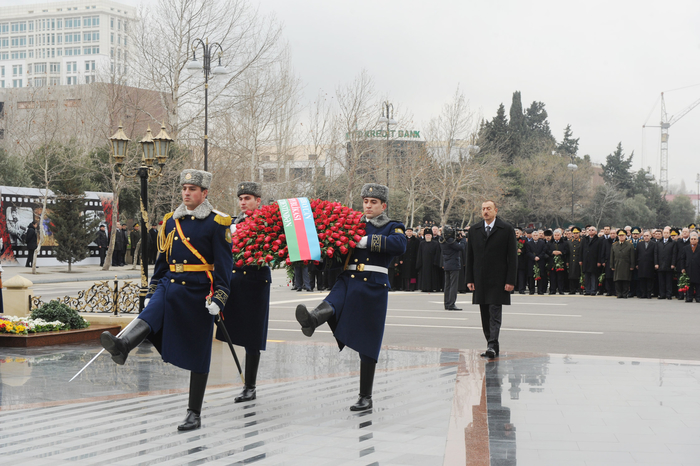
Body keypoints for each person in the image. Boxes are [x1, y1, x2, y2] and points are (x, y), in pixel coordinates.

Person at [100, 169, 233, 431]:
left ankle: (194, 412)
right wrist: (151, 291)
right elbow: (162, 260)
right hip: (170, 283)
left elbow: (224, 266)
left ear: (204, 193)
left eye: (192, 189)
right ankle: (123, 345)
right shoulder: (171, 220)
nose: (186, 193)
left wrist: (220, 296)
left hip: (199, 291)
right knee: (150, 313)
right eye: (184, 188)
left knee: (199, 352)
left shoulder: (218, 223)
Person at [294, 183, 407, 411]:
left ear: (383, 205)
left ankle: (365, 396)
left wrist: (367, 241)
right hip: (349, 278)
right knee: (334, 299)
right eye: (365, 201)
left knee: (368, 341)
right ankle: (312, 319)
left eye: (373, 202)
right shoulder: (352, 224)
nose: (368, 205)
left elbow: (400, 245)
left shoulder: (392, 226)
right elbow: (337, 252)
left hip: (373, 285)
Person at [216, 181, 271, 403]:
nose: (243, 202)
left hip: (256, 280)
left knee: (253, 335)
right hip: (233, 279)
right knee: (218, 320)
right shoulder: (232, 223)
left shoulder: (268, 222)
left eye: (247, 198)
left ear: (258, 201)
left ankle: (250, 386)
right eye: (240, 198)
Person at [466, 200, 517, 359]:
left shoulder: (506, 229)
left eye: (488, 208)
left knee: (495, 312)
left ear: (495, 210)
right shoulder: (474, 230)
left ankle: (492, 345)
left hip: (498, 279)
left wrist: (511, 280)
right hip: (480, 278)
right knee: (484, 314)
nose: (485, 211)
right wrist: (469, 279)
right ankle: (491, 344)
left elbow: (512, 257)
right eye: (483, 209)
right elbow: (470, 256)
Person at [440, 225, 465, 310]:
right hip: (453, 264)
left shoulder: (442, 240)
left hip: (447, 263)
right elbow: (461, 247)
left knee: (447, 285)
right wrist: (463, 239)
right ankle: (451, 304)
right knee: (453, 285)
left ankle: (447, 303)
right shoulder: (450, 240)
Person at [610, 229, 635, 298]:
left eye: (622, 235)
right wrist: (612, 265)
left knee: (626, 280)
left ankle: (625, 293)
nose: (621, 237)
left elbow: (632, 256)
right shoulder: (614, 245)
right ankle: (619, 293)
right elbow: (612, 256)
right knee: (617, 280)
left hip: (626, 264)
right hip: (617, 264)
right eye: (620, 236)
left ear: (625, 236)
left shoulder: (629, 245)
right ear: (617, 236)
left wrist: (632, 265)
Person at [636, 230, 658, 299]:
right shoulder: (639, 244)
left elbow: (655, 254)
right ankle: (643, 293)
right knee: (642, 280)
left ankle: (649, 293)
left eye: (647, 236)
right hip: (641, 264)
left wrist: (655, 263)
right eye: (644, 236)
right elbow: (637, 254)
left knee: (649, 280)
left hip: (650, 264)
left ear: (650, 236)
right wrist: (636, 264)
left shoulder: (654, 244)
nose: (646, 237)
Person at [656, 227, 677, 300]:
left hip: (669, 264)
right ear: (662, 234)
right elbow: (656, 254)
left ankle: (669, 294)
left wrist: (673, 264)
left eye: (667, 233)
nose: (666, 234)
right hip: (660, 264)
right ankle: (662, 294)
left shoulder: (673, 242)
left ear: (669, 234)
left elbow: (674, 254)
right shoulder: (658, 242)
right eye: (664, 233)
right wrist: (656, 263)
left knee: (669, 281)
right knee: (661, 281)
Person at [580, 226, 602, 296]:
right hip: (586, 260)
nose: (591, 231)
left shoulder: (598, 240)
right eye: (589, 230)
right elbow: (581, 250)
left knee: (593, 276)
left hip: (594, 260)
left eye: (593, 230)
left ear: (596, 232)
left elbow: (600, 251)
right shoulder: (584, 239)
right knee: (587, 276)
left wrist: (599, 261)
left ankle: (593, 290)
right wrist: (580, 259)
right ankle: (587, 290)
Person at [525, 230, 548, 295]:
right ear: (532, 236)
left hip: (540, 261)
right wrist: (534, 257)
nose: (535, 236)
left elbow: (544, 251)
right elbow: (528, 252)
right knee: (531, 276)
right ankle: (531, 290)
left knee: (540, 276)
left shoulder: (542, 242)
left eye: (536, 235)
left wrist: (539, 257)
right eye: (534, 235)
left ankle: (540, 290)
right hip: (531, 261)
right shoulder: (528, 243)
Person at [679, 232, 700, 303]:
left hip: (698, 268)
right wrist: (683, 268)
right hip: (689, 268)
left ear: (697, 240)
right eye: (692, 239)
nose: (693, 240)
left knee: (698, 284)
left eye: (695, 239)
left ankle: (698, 297)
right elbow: (682, 259)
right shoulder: (685, 248)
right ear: (690, 240)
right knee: (689, 283)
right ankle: (689, 297)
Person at [547, 229, 568, 295]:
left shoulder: (564, 243)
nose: (556, 236)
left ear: (561, 235)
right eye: (555, 235)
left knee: (560, 277)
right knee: (552, 277)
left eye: (558, 235)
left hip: (561, 262)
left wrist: (561, 253)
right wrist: (552, 252)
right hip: (552, 262)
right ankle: (552, 290)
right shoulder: (550, 243)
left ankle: (561, 290)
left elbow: (567, 251)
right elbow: (546, 251)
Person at [401, 227, 420, 291]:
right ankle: (406, 287)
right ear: (405, 232)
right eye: (408, 231)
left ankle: (412, 287)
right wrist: (400, 259)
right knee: (405, 274)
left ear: (412, 232)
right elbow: (400, 250)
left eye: (410, 231)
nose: (409, 232)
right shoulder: (403, 239)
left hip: (413, 260)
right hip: (405, 259)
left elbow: (418, 251)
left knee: (412, 274)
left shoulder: (416, 240)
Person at [568, 227, 583, 294]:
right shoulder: (569, 242)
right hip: (571, 260)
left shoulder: (582, 241)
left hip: (578, 260)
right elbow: (568, 252)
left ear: (579, 233)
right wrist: (567, 261)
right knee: (571, 275)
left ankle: (580, 289)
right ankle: (572, 289)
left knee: (580, 275)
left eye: (577, 233)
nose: (575, 234)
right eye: (574, 233)